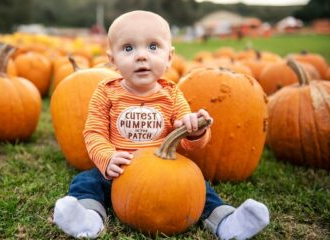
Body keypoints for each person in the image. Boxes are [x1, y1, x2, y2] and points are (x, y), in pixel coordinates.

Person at [53, 10, 269, 240]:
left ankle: (226, 221)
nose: (141, 56)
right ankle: (89, 218)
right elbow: (94, 131)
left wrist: (195, 131)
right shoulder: (106, 92)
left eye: (153, 47)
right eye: (128, 48)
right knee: (86, 181)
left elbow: (189, 143)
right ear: (113, 60)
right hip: (120, 169)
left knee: (201, 189)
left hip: (164, 172)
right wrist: (107, 158)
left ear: (169, 57)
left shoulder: (172, 95)